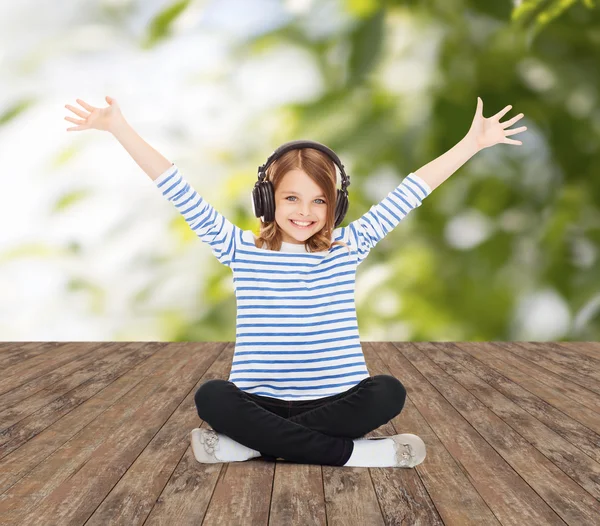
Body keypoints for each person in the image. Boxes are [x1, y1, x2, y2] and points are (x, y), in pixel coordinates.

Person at [64, 94, 525, 468]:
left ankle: (250, 448)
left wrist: (472, 144)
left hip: (335, 401)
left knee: (389, 392)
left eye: (319, 201)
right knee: (211, 396)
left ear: (335, 207)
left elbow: (411, 191)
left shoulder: (351, 244)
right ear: (267, 198)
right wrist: (119, 128)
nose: (305, 212)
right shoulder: (239, 248)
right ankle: (352, 456)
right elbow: (176, 187)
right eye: (291, 198)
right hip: (256, 403)